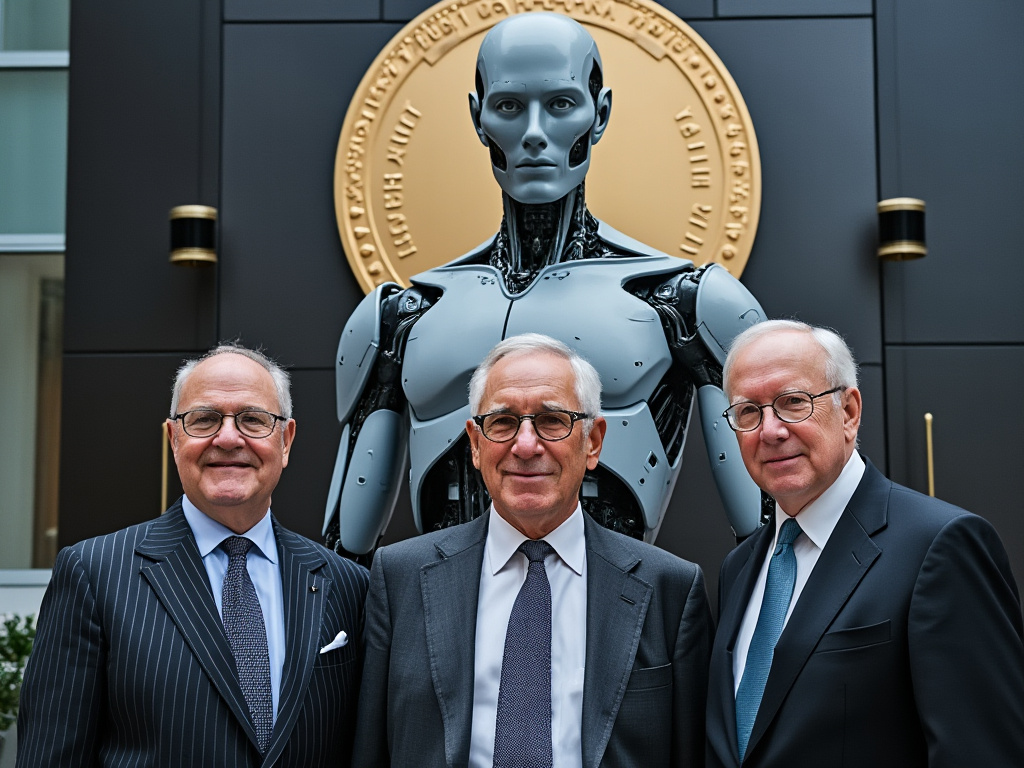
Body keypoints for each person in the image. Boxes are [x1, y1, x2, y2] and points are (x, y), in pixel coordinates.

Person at [324, 11, 765, 560]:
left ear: (598, 115)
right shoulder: (402, 315)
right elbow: (345, 554)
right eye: (509, 106)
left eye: (560, 105)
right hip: (448, 622)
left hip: (609, 616)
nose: (534, 135)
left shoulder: (682, 301)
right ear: (477, 117)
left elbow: (770, 532)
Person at [352, 333, 714, 768]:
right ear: (475, 443)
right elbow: (369, 751)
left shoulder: (669, 588)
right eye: (503, 422)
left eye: (552, 420)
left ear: (593, 441)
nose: (525, 446)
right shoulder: (400, 577)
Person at [17, 344, 369, 768]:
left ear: (286, 440)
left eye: (253, 420)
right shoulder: (94, 573)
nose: (227, 438)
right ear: (173, 437)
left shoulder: (348, 584)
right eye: (204, 420)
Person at [705, 320, 1024, 767]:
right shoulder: (738, 568)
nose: (770, 431)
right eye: (748, 412)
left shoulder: (940, 547)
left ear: (849, 412)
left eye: (793, 402)